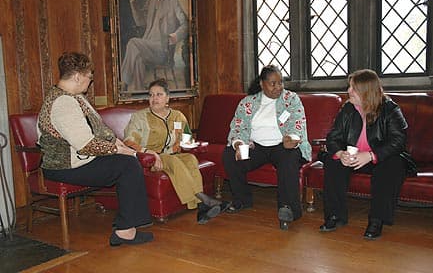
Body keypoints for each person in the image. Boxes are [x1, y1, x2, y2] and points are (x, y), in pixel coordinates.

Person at [37, 52, 153, 246]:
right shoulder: (63, 102)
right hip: (63, 167)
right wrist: (119, 151)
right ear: (77, 76)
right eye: (89, 77)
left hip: (79, 160)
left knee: (129, 162)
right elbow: (86, 145)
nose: (90, 82)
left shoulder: (76, 97)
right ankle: (125, 231)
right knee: (127, 166)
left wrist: (119, 143)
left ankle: (128, 227)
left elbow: (99, 129)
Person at [319, 69, 410, 240]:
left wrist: (371, 155)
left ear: (366, 91)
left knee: (392, 165)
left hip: (379, 157)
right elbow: (333, 137)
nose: (348, 91)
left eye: (353, 88)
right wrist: (340, 153)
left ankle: (377, 220)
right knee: (333, 162)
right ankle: (335, 215)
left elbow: (399, 141)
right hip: (353, 156)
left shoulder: (390, 108)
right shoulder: (347, 108)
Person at [123, 78, 228, 224]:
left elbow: (186, 139)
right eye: (151, 95)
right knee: (173, 161)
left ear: (167, 98)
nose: (154, 98)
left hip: (173, 154)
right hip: (151, 159)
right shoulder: (140, 117)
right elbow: (129, 141)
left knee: (190, 159)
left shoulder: (177, 116)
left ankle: (201, 206)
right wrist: (149, 152)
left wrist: (190, 143)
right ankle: (203, 200)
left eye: (159, 94)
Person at [222, 65, 312, 230]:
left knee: (289, 157)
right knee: (229, 155)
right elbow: (238, 126)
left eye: (280, 83)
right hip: (256, 146)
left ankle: (289, 209)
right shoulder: (248, 102)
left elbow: (298, 123)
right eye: (273, 84)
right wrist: (238, 144)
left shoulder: (291, 99)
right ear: (262, 84)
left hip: (281, 145)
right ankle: (242, 200)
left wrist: (292, 138)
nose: (278, 87)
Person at [121, 0, 188, 90]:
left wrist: (175, 35)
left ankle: (124, 82)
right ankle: (139, 93)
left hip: (162, 49)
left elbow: (185, 24)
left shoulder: (172, 0)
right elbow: (140, 21)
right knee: (138, 59)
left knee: (132, 42)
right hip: (148, 45)